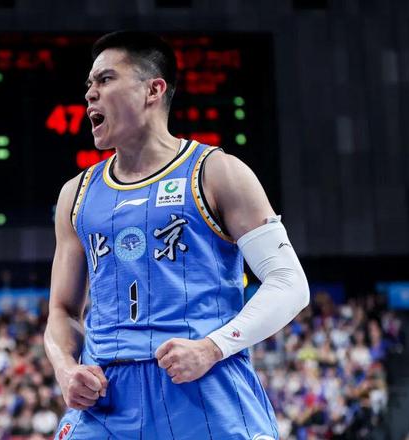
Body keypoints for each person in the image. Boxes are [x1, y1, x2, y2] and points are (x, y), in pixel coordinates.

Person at [44, 31, 310, 440]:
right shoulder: (76, 195)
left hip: (202, 381)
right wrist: (66, 369)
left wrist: (212, 347)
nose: (90, 94)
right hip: (108, 398)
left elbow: (289, 283)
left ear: (153, 89)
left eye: (105, 79)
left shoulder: (218, 172)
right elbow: (62, 310)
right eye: (89, 84)